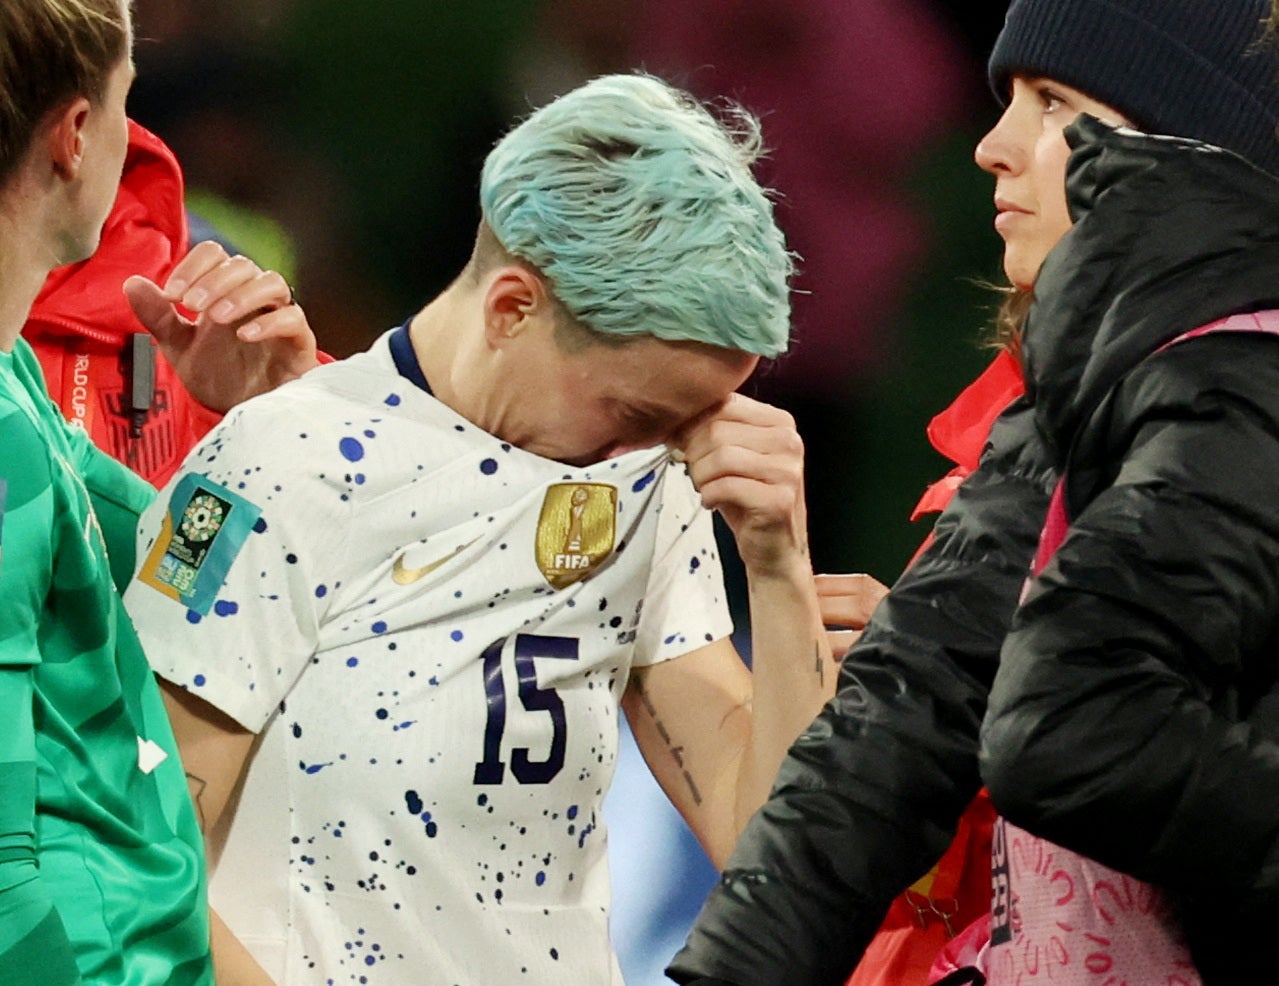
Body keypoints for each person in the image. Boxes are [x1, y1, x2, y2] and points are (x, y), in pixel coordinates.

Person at [123, 72, 835, 985]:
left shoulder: (653, 481)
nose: (663, 450)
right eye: (632, 410)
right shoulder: (279, 465)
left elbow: (777, 858)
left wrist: (778, 569)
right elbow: (145, 846)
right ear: (511, 307)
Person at [668, 0, 1279, 983]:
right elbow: (887, 741)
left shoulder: (1224, 383)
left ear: (1184, 150)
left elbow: (1060, 725)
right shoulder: (1061, 401)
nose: (991, 146)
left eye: (1053, 102)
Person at [0, 2, 318, 983]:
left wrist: (269, 424)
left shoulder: (13, 382)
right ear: (77, 134)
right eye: (128, 103)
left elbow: (166, 565)